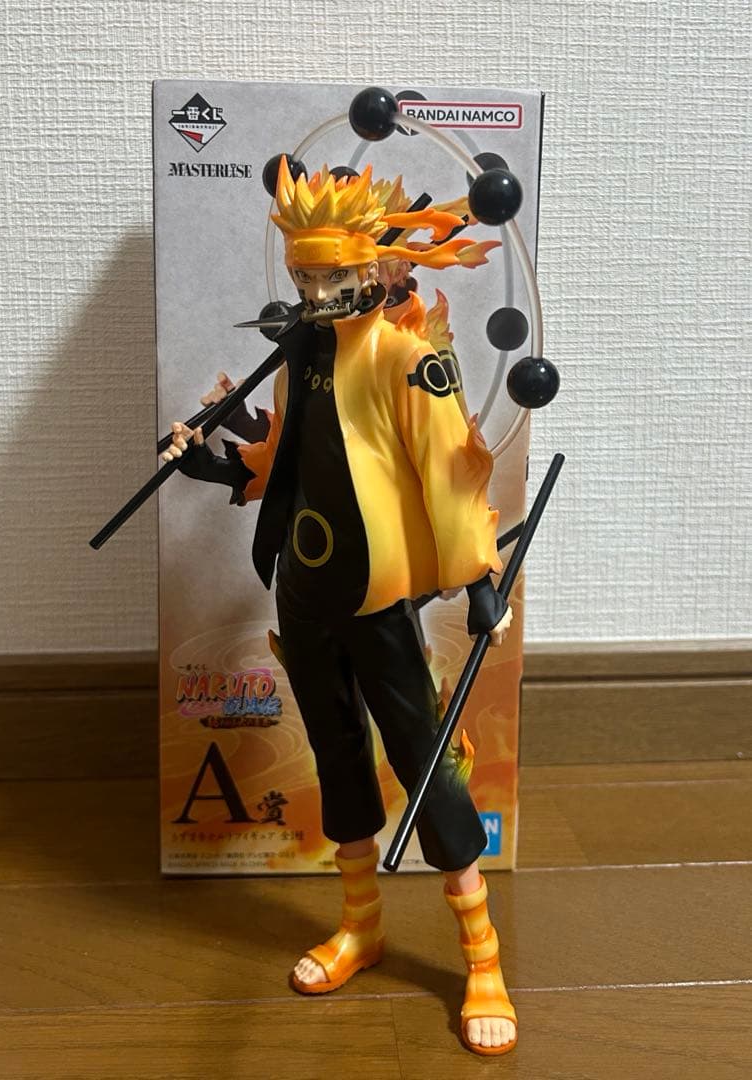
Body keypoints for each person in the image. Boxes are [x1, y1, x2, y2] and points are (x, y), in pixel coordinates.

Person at [163, 158, 517, 1056]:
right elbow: (287, 460)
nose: (318, 293)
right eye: (304, 277)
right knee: (334, 753)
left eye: (333, 275)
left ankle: (482, 955)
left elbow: (450, 473)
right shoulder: (301, 356)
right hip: (305, 586)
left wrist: (480, 578)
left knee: (425, 760)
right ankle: (361, 923)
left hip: (377, 594)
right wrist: (212, 463)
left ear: (378, 265)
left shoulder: (408, 360)